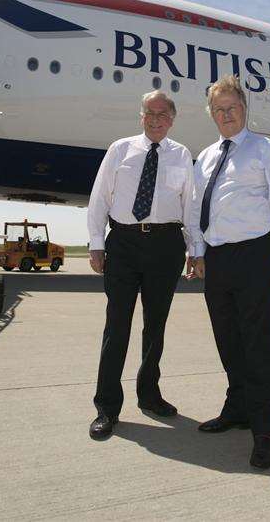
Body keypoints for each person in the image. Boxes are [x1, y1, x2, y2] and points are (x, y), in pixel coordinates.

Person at [186, 75, 270, 469]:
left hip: (254, 254)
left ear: (244, 109)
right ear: (211, 114)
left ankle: (264, 429)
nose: (226, 115)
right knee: (227, 338)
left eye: (232, 107)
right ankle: (238, 409)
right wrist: (197, 252)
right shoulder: (207, 156)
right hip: (217, 258)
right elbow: (195, 209)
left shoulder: (265, 150)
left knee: (259, 343)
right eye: (218, 110)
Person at [86, 90, 194, 440]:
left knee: (155, 326)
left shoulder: (181, 155)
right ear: (141, 116)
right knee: (116, 326)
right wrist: (97, 243)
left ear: (172, 119)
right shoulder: (120, 149)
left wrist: (196, 249)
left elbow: (190, 207)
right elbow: (99, 199)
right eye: (150, 112)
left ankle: (149, 395)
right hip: (124, 243)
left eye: (163, 114)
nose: (156, 119)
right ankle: (106, 407)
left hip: (166, 246)